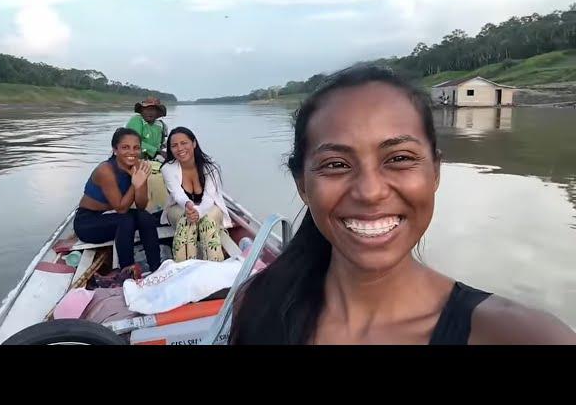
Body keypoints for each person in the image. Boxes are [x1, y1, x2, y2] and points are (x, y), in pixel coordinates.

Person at [229, 65, 576, 345]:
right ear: (302, 185)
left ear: (435, 172)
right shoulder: (262, 307)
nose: (370, 191)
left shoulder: (518, 336)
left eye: (398, 158)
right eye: (335, 164)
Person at [73, 127, 161, 272]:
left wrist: (140, 182)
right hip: (87, 222)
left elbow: (141, 205)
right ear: (115, 149)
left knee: (145, 217)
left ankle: (157, 267)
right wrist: (135, 184)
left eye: (136, 148)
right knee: (125, 220)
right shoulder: (105, 170)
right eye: (125, 147)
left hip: (112, 216)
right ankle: (128, 271)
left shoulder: (139, 166)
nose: (132, 152)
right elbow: (121, 208)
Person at [160, 127, 232, 262]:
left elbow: (210, 197)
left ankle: (214, 267)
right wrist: (188, 206)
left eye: (184, 143)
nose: (180, 148)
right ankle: (184, 268)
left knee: (207, 222)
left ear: (194, 143)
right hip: (179, 207)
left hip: (209, 206)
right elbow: (177, 194)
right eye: (174, 145)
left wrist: (198, 211)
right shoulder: (167, 168)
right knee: (186, 221)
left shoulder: (210, 166)